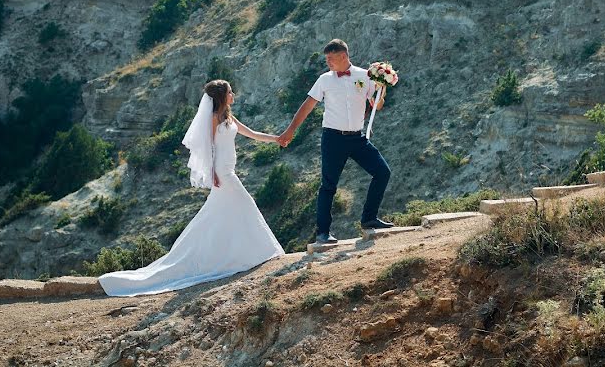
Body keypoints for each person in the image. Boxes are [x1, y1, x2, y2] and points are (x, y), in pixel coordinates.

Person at [98, 79, 284, 297]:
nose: (233, 94)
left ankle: (237, 254)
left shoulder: (229, 117)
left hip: (229, 170)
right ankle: (258, 252)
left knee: (219, 216)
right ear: (222, 96)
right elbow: (210, 147)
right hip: (223, 174)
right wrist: (213, 173)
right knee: (245, 204)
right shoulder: (214, 118)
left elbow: (251, 133)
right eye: (230, 92)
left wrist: (276, 139)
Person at [279, 39, 393, 245]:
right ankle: (323, 232)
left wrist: (381, 89)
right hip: (333, 138)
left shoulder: (364, 75)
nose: (328, 62)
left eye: (331, 58)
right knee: (328, 185)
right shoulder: (324, 80)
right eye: (327, 59)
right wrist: (290, 131)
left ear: (343, 56)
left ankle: (369, 218)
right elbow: (307, 106)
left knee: (383, 172)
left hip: (358, 138)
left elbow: (377, 105)